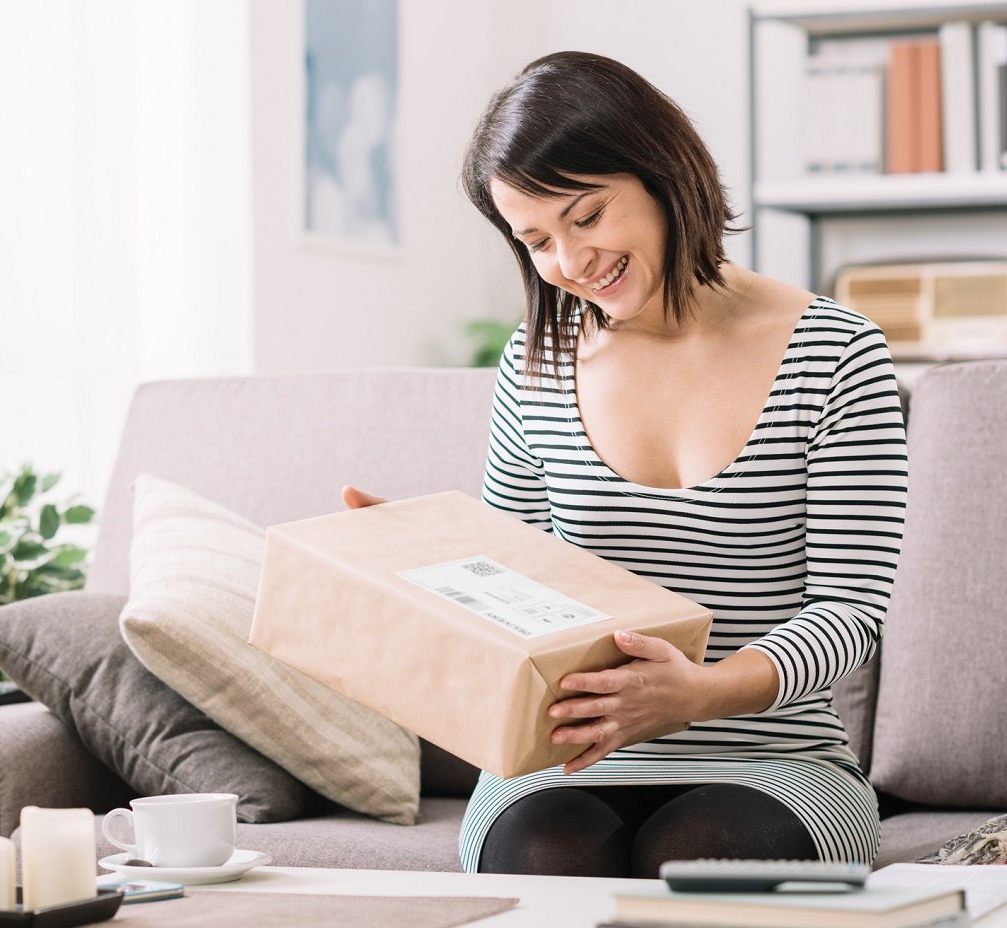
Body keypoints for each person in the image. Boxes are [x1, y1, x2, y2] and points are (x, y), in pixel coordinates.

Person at [343, 51, 906, 879]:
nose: (570, 262)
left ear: (660, 172)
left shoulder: (833, 351)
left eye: (587, 215)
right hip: (558, 761)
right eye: (535, 240)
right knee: (546, 856)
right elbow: (513, 592)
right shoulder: (536, 364)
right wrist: (423, 558)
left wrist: (699, 694)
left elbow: (851, 612)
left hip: (775, 762)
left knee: (702, 861)